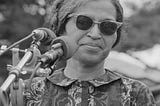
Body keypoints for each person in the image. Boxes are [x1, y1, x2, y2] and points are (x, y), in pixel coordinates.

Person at [23, 0, 156, 106]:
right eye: (83, 22)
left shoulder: (135, 93)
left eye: (108, 26)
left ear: (116, 35)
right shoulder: (30, 91)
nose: (95, 34)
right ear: (61, 27)